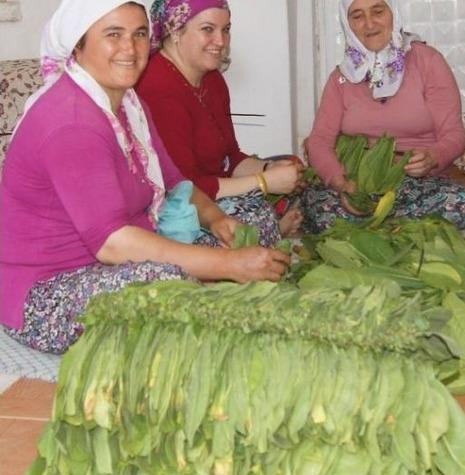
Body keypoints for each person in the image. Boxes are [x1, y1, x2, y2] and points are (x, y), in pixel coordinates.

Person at [0, 0, 289, 354]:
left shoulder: (129, 104)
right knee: (165, 280)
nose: (130, 48)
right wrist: (228, 264)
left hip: (124, 258)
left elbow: (174, 182)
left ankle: (210, 290)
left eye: (139, 34)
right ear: (79, 44)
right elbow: (113, 243)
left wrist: (217, 220)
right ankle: (210, 291)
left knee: (251, 220)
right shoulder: (71, 121)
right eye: (113, 34)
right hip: (48, 294)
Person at [137, 0, 303, 246]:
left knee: (294, 168)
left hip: (214, 189)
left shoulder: (212, 79)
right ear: (175, 30)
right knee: (255, 217)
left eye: (225, 30)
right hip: (179, 203)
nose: (221, 41)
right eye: (208, 29)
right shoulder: (157, 86)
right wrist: (264, 182)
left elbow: (231, 157)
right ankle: (269, 232)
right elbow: (183, 187)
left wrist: (269, 169)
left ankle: (268, 233)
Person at [303, 0, 465, 233]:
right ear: (347, 23)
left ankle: (374, 225)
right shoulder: (341, 78)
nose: (369, 23)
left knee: (460, 204)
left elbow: (454, 134)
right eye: (357, 16)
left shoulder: (427, 61)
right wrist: (341, 182)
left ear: (393, 13)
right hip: (358, 184)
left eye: (378, 11)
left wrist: (433, 157)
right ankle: (399, 226)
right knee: (319, 208)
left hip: (417, 183)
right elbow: (319, 141)